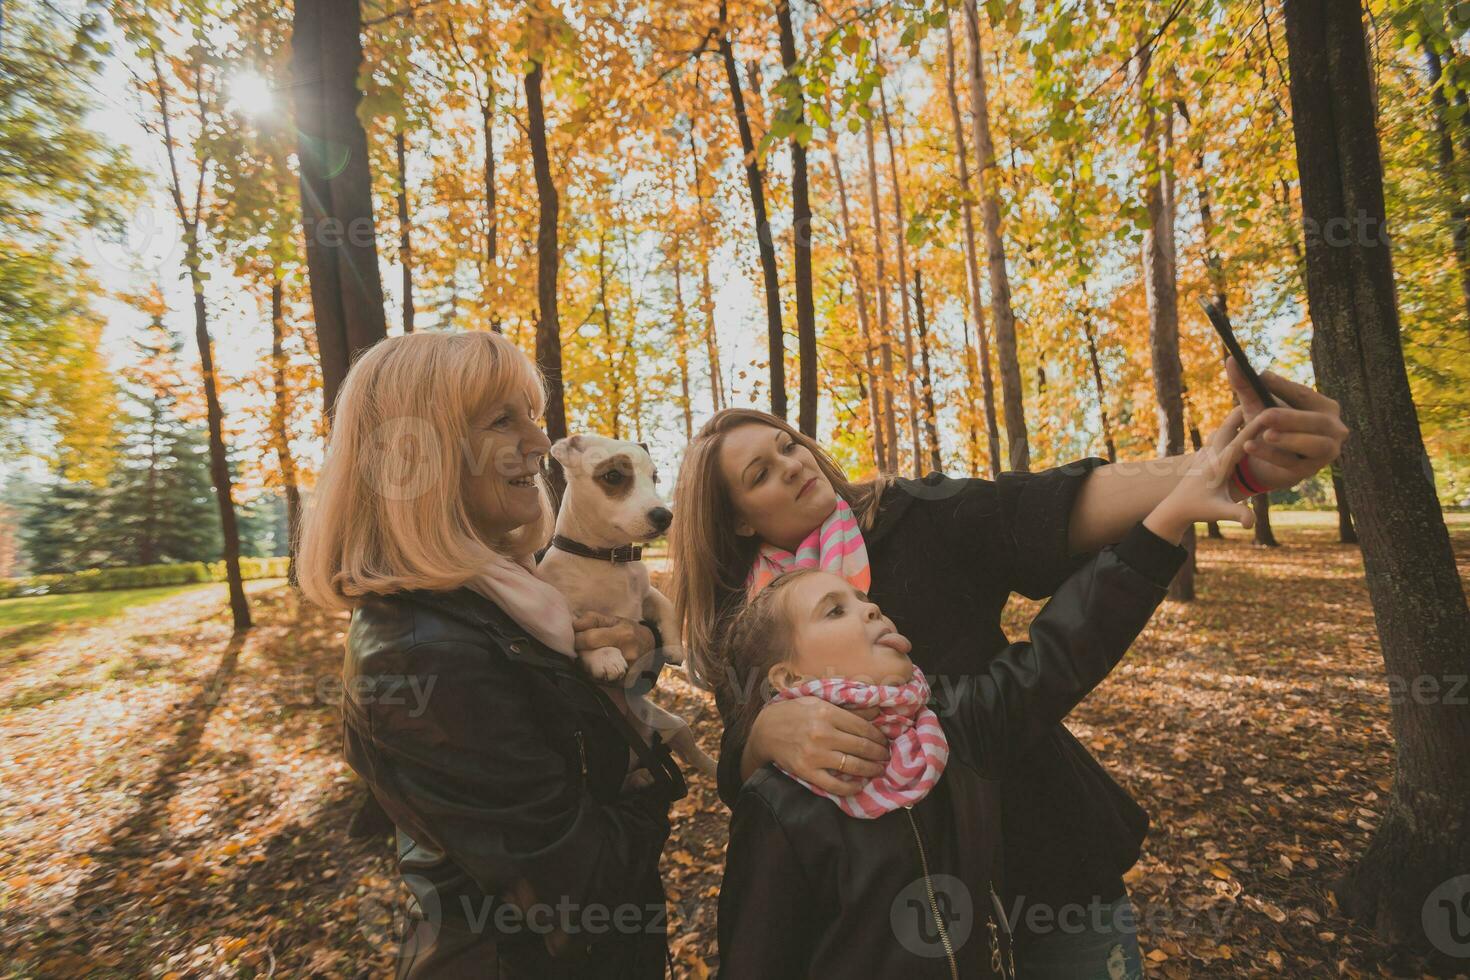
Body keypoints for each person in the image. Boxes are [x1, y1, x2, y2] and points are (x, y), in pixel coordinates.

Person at [670, 363, 1347, 977]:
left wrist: (1225, 465)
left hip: (1050, 869)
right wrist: (763, 735)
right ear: (733, 522)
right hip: (900, 929)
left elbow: (1050, 512)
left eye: (787, 445)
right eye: (759, 473)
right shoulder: (749, 621)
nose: (790, 464)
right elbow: (744, 775)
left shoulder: (917, 517)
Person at [297, 331, 680, 979]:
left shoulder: (511, 597)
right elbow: (580, 883)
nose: (538, 444)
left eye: (532, 415)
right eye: (503, 420)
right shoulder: (420, 654)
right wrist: (663, 778)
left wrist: (635, 658)